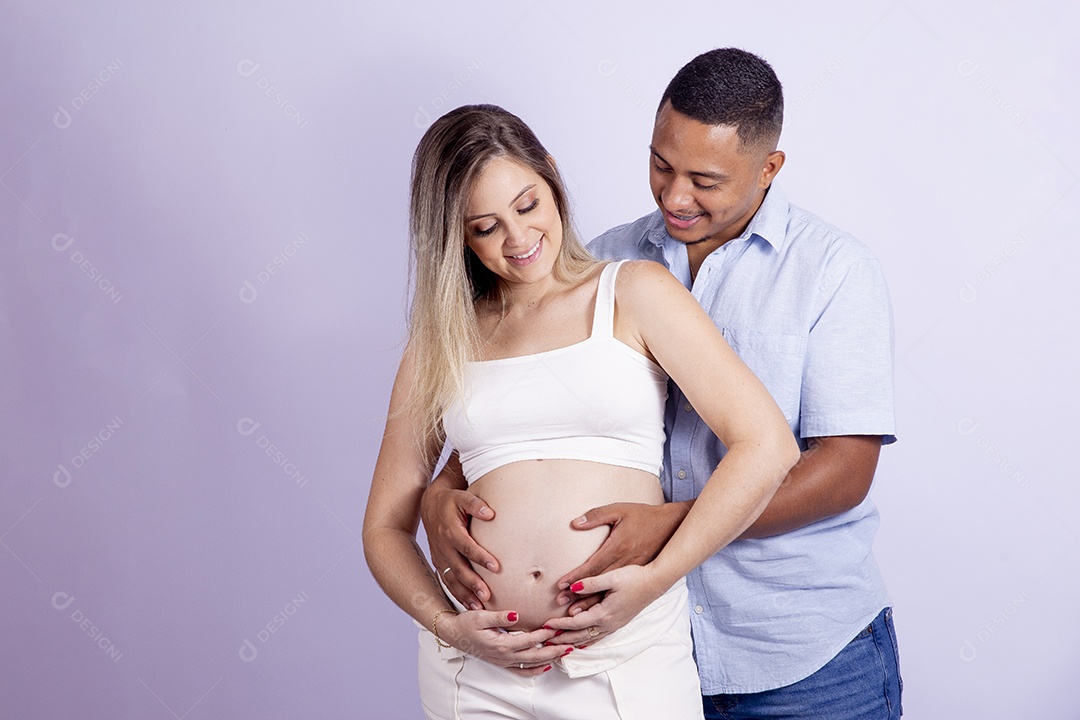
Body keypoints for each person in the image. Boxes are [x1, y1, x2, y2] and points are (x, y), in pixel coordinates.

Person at [423, 50, 903, 720]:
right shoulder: (607, 257)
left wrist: (668, 528)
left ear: (770, 168)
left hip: (796, 652)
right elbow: (533, 406)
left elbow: (845, 471)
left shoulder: (833, 270)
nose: (675, 196)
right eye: (660, 165)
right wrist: (442, 492)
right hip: (636, 649)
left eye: (704, 180)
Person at [363, 103, 799, 720]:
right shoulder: (441, 341)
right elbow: (383, 528)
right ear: (454, 234)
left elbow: (767, 445)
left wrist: (652, 582)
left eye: (527, 205)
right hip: (477, 669)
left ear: (551, 175)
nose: (517, 240)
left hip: (621, 653)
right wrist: (446, 625)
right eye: (484, 227)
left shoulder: (634, 292)